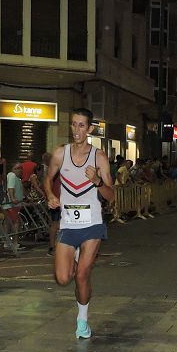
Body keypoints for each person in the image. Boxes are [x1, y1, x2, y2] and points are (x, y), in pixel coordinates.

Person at [45, 109, 115, 339]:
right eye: (73, 125)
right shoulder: (60, 154)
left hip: (92, 225)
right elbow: (48, 179)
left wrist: (96, 181)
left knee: (82, 274)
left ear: (90, 129)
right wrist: (50, 196)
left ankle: (82, 320)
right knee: (63, 278)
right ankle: (74, 264)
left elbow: (111, 195)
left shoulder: (99, 157)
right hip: (67, 225)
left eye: (81, 125)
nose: (76, 130)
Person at [3, 161, 25, 245]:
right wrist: (12, 198)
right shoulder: (12, 175)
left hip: (14, 204)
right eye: (17, 168)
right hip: (11, 204)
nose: (19, 170)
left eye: (20, 168)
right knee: (15, 223)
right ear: (12, 169)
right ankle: (15, 242)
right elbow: (10, 188)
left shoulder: (17, 178)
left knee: (9, 223)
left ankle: (8, 242)